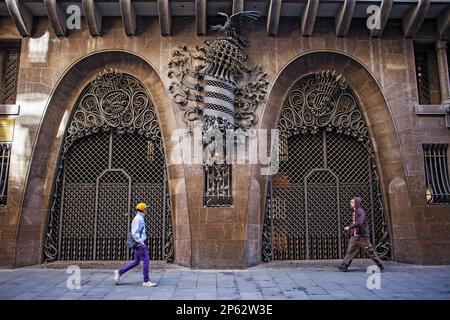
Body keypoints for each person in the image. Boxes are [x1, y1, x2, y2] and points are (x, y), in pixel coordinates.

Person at [114, 202, 157, 287]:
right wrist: (141, 243)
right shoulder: (138, 219)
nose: (147, 210)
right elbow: (134, 233)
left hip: (138, 244)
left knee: (136, 262)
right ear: (143, 210)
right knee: (146, 260)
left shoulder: (140, 218)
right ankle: (146, 281)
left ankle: (119, 272)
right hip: (139, 244)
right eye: (146, 209)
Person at [337, 197, 385, 272]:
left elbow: (359, 222)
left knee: (370, 252)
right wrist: (350, 228)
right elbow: (354, 223)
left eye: (352, 202)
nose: (350, 203)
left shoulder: (360, 211)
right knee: (350, 251)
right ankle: (344, 265)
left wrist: (349, 227)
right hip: (355, 237)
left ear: (356, 203)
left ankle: (380, 265)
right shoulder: (354, 212)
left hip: (363, 237)